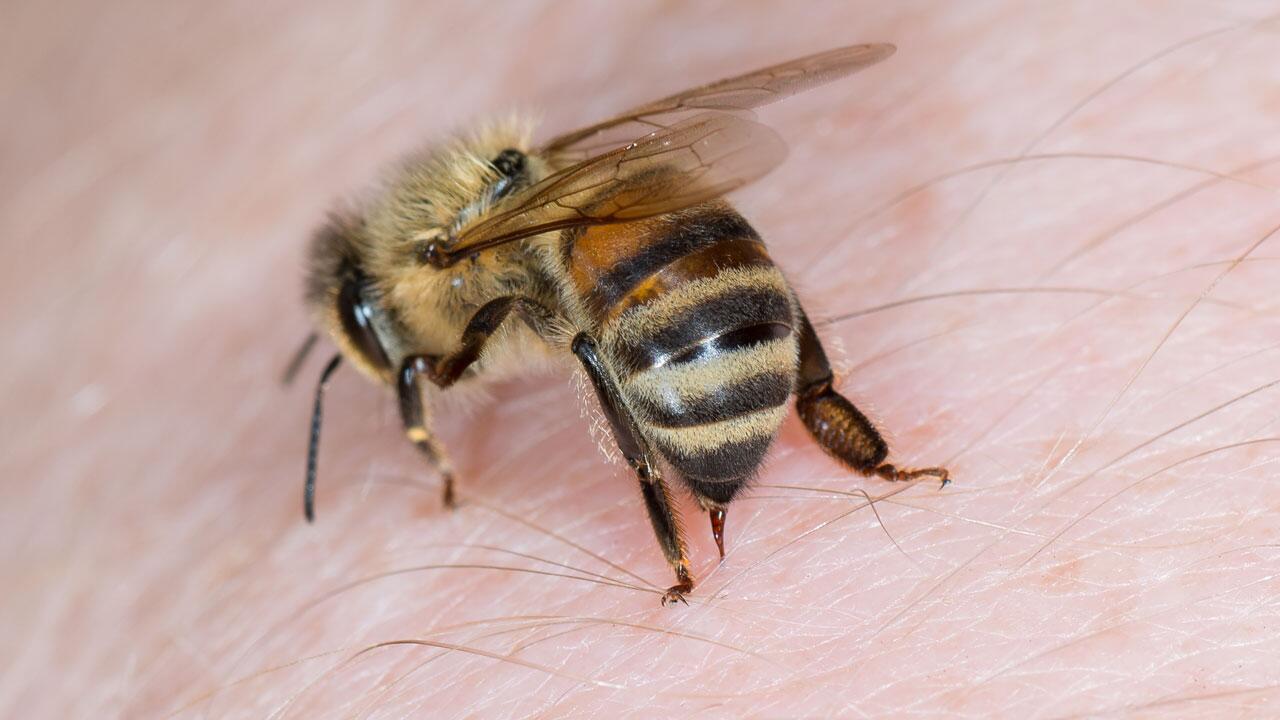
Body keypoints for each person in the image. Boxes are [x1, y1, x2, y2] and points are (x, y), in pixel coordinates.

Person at [4, 3, 1278, 717]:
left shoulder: (452, 276)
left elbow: (455, 361)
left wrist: (431, 456)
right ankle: (842, 440)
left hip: (666, 303)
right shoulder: (522, 189)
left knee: (609, 346)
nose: (409, 363)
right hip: (678, 251)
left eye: (388, 347)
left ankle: (680, 540)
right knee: (621, 317)